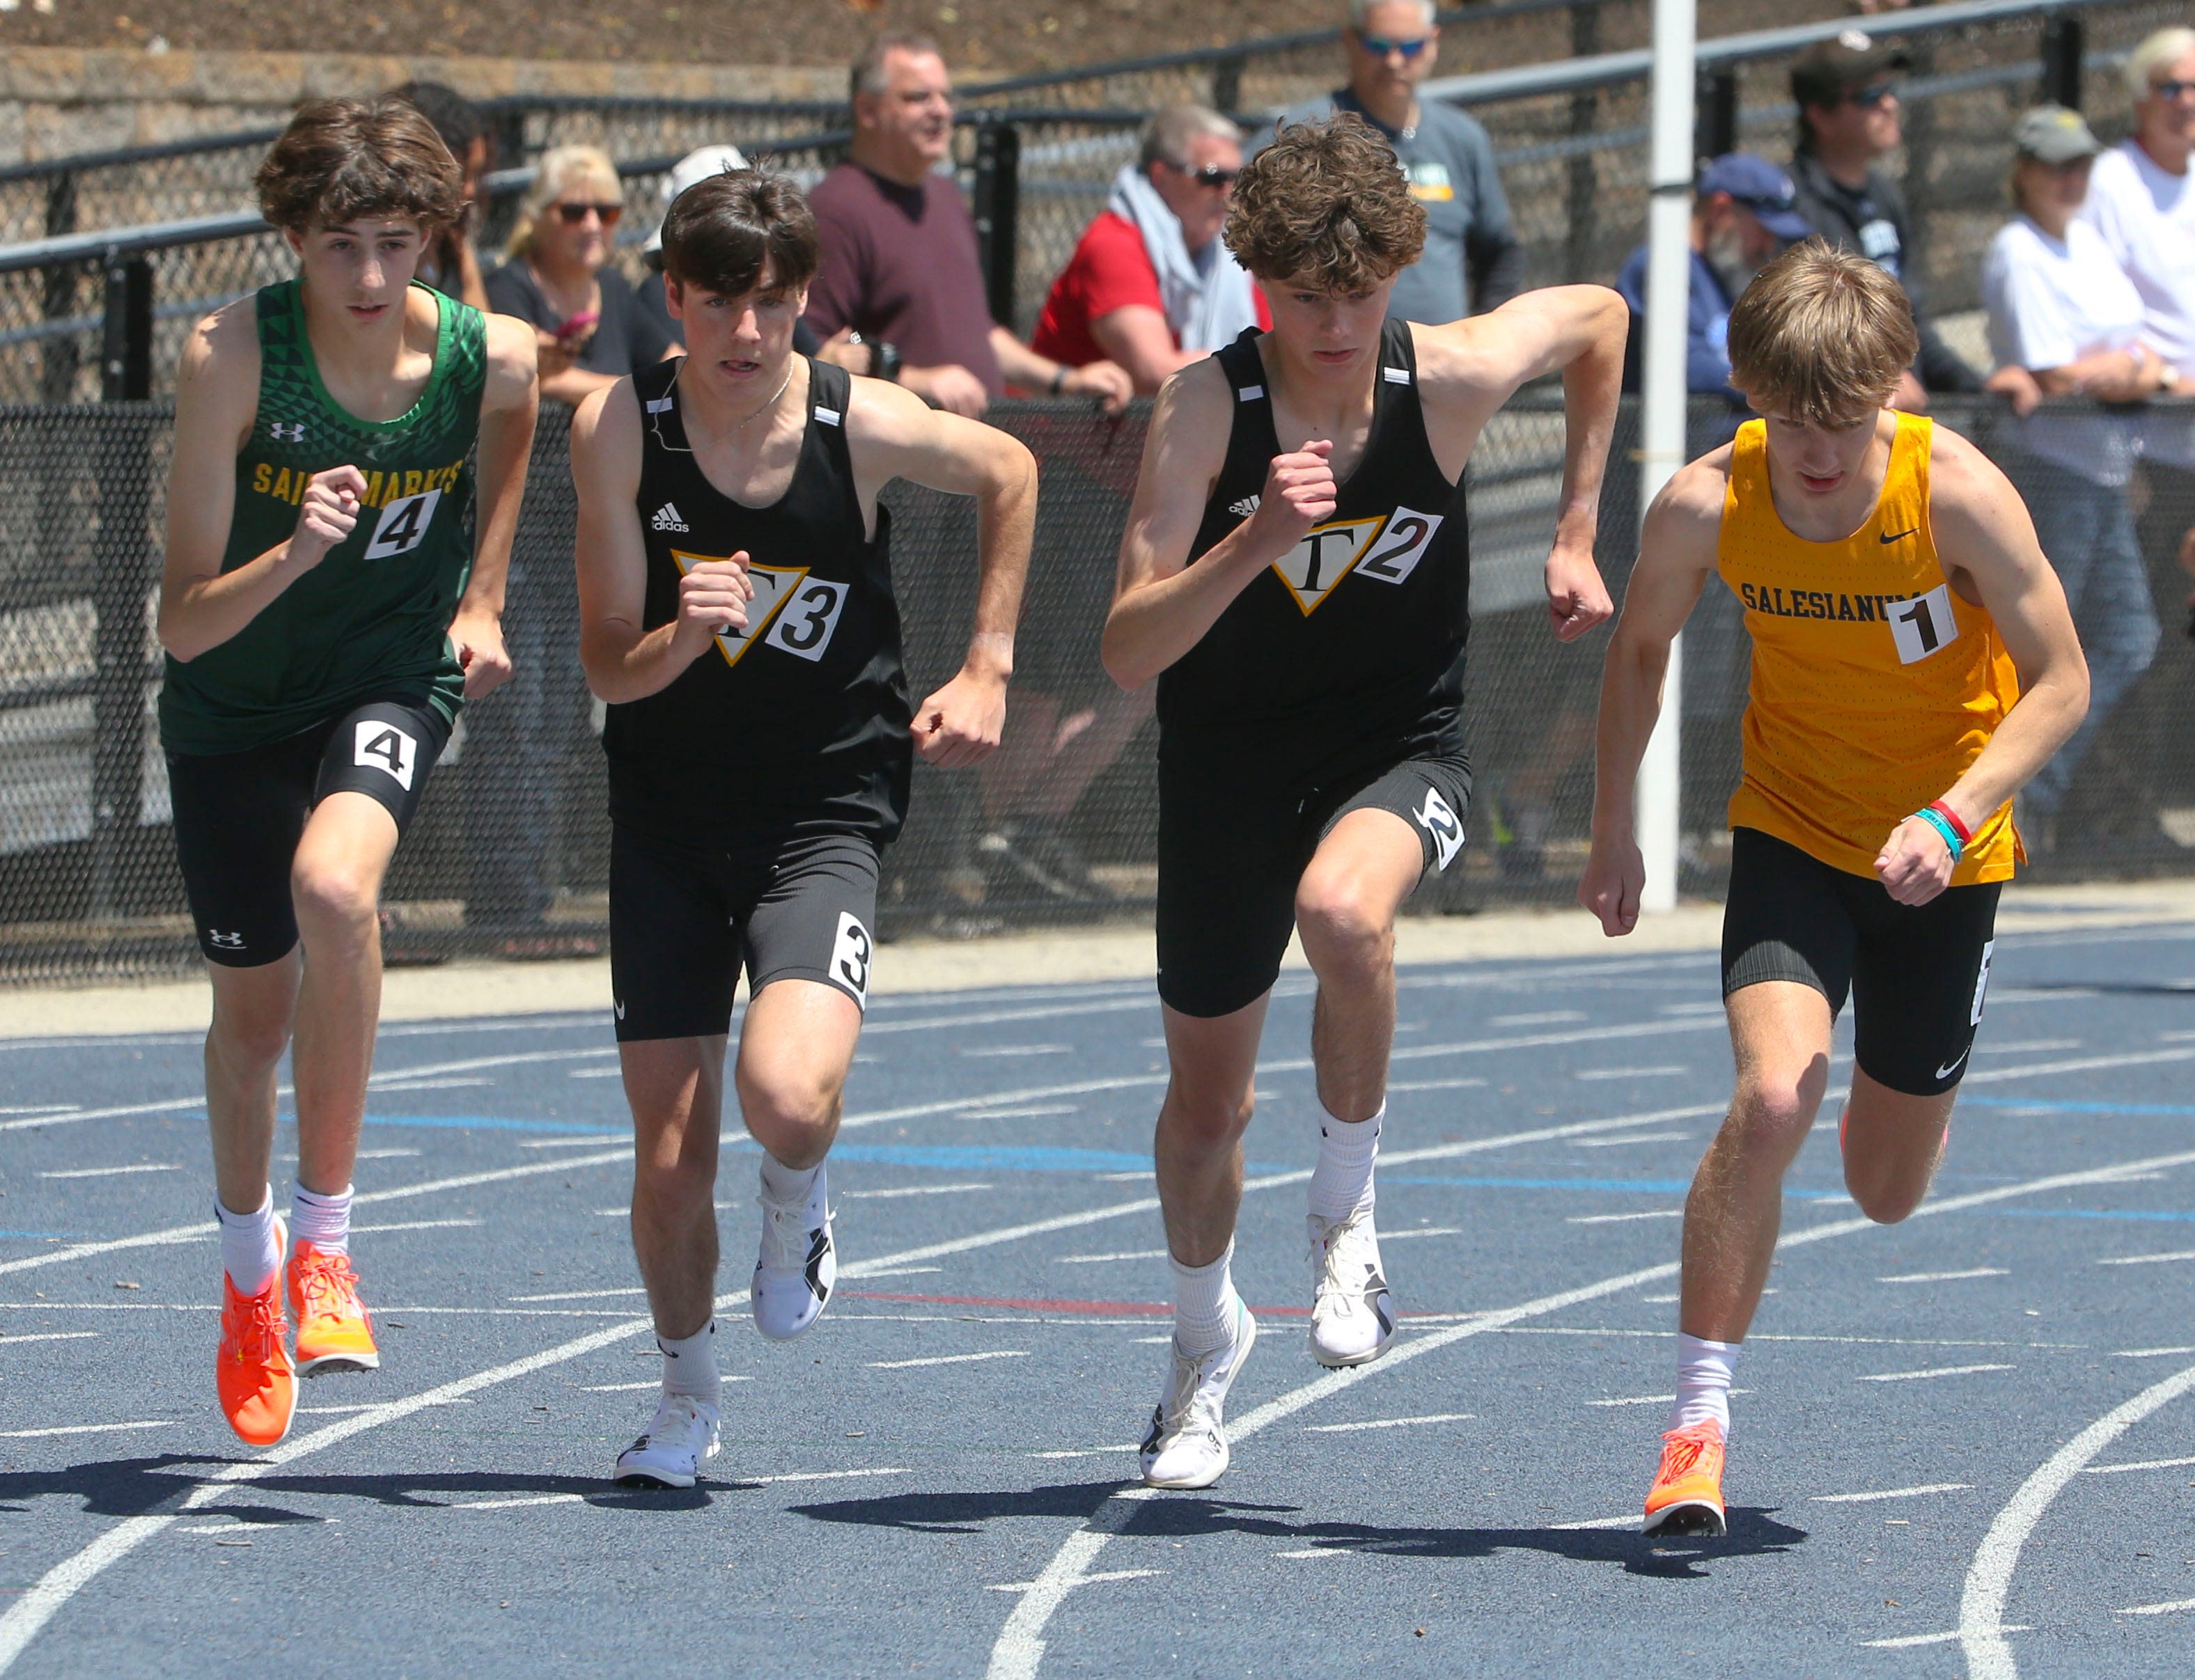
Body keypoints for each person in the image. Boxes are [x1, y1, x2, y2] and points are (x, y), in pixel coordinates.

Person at [1105, 114, 1623, 1490]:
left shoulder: (1442, 380)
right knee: (1203, 1113)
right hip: (1226, 771)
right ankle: (1200, 1351)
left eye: (1359, 290)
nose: (1333, 322)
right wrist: (1252, 541)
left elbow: (1598, 315)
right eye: (1301, 296)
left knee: (1345, 911)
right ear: (1256, 280)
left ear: (1398, 269)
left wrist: (1575, 524)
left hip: (1403, 748)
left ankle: (1347, 1223)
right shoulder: (1208, 409)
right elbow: (1126, 646)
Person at [1579, 240, 2089, 1537]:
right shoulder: (1705, 501)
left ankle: (1910, 1082)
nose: (1817, 452)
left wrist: (1955, 807)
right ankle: (1695, 1425)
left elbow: (2062, 676)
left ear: (1890, 395)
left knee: (1882, 1187)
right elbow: (1638, 650)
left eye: (1845, 422)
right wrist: (1613, 827)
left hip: (1942, 854)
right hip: (1794, 835)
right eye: (1790, 421)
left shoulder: (1953, 492)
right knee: (1767, 1096)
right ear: (1749, 395)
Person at [568, 168, 1037, 1488]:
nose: (747, 335)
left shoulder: (858, 422)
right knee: (666, 1160)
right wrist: (684, 632)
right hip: (664, 818)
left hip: (820, 812)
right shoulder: (617, 429)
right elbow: (607, 664)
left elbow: (1009, 466)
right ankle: (683, 1396)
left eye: (772, 306)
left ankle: (798, 1198)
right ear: (671, 300)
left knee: (784, 1095)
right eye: (720, 305)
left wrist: (988, 661)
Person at [155, 97, 538, 1447]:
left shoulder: (483, 355)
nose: (373, 281)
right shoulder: (231, 360)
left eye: (396, 244)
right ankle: (250, 1276)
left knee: (338, 885)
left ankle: (327, 1243)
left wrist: (482, 596)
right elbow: (179, 620)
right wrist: (296, 554)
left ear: (436, 234)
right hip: (230, 710)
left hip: (386, 679)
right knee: (250, 1028)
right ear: (290, 242)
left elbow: (521, 410)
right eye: (339, 250)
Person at [1985, 105, 2164, 849]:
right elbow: (2052, 370)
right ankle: (2006, 795)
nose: (2070, 179)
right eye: (2056, 165)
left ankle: (2027, 786)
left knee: (2125, 637)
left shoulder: (2087, 242)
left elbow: (2142, 353)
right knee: (2039, 645)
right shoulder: (2015, 251)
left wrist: (2123, 370)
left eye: (2079, 165)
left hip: (2100, 474)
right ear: (2022, 172)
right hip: (2049, 474)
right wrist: (2117, 369)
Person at [804, 30, 1132, 418]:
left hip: (978, 450)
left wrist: (1065, 381)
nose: (941, 111)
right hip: (898, 463)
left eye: (945, 96)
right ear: (868, 111)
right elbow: (811, 360)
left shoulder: (944, 198)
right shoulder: (834, 210)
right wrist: (918, 382)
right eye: (918, 98)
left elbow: (982, 334)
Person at [1267, 0, 1522, 325]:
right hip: (1335, 357)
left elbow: (1500, 251)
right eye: (1378, 45)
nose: (1394, 61)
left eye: (1411, 46)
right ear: (1350, 40)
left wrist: (1486, 337)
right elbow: (1254, 244)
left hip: (1441, 359)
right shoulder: (1306, 132)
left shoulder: (1462, 137)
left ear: (1433, 43)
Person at [1786, 32, 1992, 406]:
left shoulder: (1884, 195)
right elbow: (1804, 337)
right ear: (1820, 115)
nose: (1890, 104)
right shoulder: (1792, 208)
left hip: (1901, 415)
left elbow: (1914, 324)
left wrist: (1982, 390)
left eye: (1890, 90)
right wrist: (1879, 382)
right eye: (1869, 96)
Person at [2080, 28, 2195, 631]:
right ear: (2140, 99)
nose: (2186, 100)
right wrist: (2170, 375)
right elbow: (2097, 311)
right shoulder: (2110, 182)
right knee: (2145, 628)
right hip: (2150, 451)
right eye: (2170, 87)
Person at [1031, 104, 1269, 395]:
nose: (1229, 192)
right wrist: (1268, 365)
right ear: (1162, 177)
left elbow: (1272, 341)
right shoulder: (1113, 244)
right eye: (1213, 177)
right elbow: (1157, 373)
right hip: (1066, 435)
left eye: (1238, 178)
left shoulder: (1230, 249)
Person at [487, 145, 675, 407]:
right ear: (538, 216)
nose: (593, 226)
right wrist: (641, 391)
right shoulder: (507, 287)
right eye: (574, 213)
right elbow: (540, 378)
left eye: (607, 213)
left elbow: (670, 358)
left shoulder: (613, 286)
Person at [1615, 153, 1807, 409]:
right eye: (1763, 230)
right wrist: (1783, 386)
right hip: (1678, 443)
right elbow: (1686, 368)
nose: (1768, 245)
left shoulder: (1726, 269)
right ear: (1721, 209)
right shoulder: (1661, 267)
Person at [388, 81, 492, 312]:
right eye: (459, 176)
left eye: (475, 175)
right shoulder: (373, 250)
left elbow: (481, 333)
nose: (470, 191)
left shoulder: (453, 245)